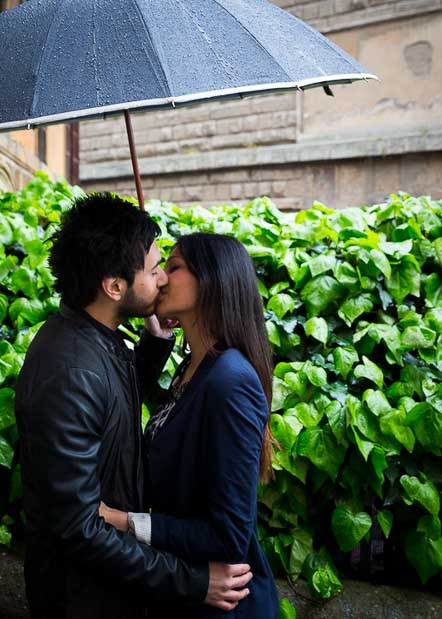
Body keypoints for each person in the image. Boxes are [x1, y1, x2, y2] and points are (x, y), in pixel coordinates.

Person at [14, 195, 252, 618]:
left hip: (112, 585)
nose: (162, 279)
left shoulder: (92, 338)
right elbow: (80, 530)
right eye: (154, 267)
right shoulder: (72, 370)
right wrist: (193, 581)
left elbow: (111, 414)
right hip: (85, 598)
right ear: (114, 286)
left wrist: (155, 345)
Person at [99, 233, 280, 618]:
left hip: (225, 606)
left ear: (212, 280)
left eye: (175, 267)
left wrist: (125, 522)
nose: (161, 278)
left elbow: (227, 536)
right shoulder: (195, 368)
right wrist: (156, 338)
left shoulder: (231, 380)